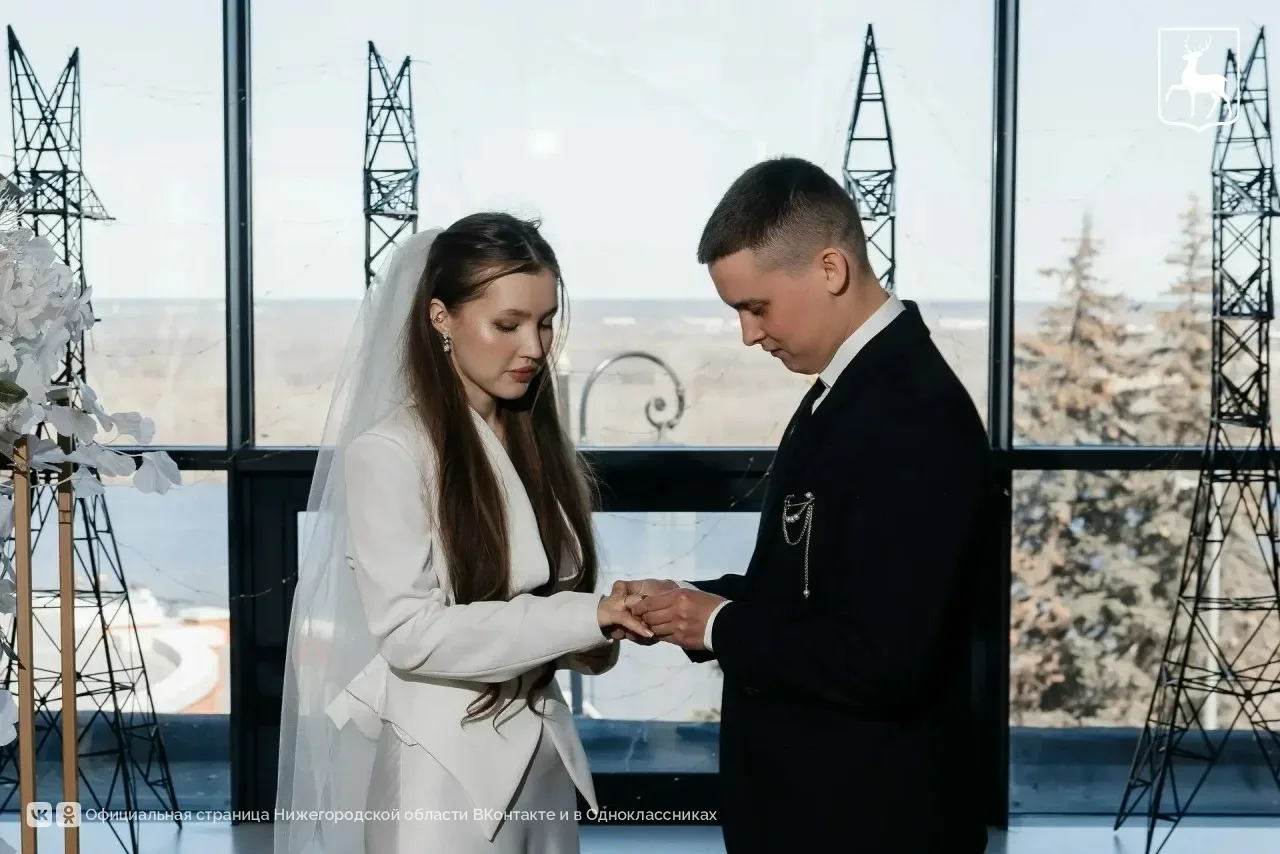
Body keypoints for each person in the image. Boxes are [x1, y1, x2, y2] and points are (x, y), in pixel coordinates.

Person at [616, 157, 995, 854]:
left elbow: (886, 660)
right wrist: (691, 603)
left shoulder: (913, 416)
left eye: (756, 307)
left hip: (869, 823)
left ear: (830, 268)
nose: (748, 334)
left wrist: (719, 625)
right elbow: (821, 592)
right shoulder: (853, 389)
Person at [273, 212, 653, 854]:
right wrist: (585, 617)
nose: (534, 347)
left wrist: (600, 632)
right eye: (507, 325)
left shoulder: (535, 441)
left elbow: (541, 607)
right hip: (444, 779)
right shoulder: (390, 452)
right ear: (440, 317)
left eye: (545, 322)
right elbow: (410, 634)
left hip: (546, 763)